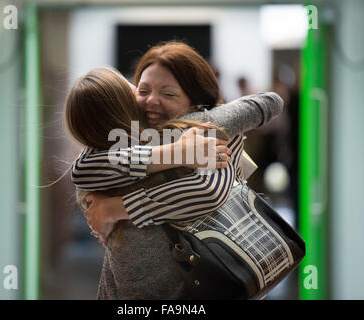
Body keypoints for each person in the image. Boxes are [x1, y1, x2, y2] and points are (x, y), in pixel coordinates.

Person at [67, 41, 283, 299]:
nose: (151, 101)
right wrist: (176, 152)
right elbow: (81, 170)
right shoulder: (117, 145)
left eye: (168, 94)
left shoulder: (201, 126)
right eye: (143, 90)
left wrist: (115, 208)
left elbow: (208, 191)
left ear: (196, 103)